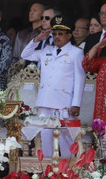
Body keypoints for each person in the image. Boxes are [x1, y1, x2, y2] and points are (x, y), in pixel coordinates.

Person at [21, 16, 85, 157]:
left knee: (65, 137)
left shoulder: (76, 53)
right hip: (45, 100)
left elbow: (79, 80)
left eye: (61, 34)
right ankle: (47, 172)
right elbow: (25, 54)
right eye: (55, 34)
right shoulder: (46, 51)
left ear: (69, 35)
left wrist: (76, 104)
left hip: (64, 102)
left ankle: (68, 171)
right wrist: (37, 39)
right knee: (46, 137)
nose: (57, 37)